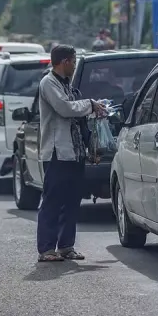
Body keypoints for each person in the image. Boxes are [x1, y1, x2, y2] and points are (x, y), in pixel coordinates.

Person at [37, 44, 106, 262]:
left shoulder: (68, 86)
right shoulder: (48, 83)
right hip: (57, 152)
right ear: (64, 62)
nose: (75, 66)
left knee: (72, 201)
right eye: (74, 61)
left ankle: (66, 246)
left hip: (74, 153)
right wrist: (90, 104)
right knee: (53, 201)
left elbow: (79, 118)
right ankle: (47, 249)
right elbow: (65, 108)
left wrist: (90, 147)